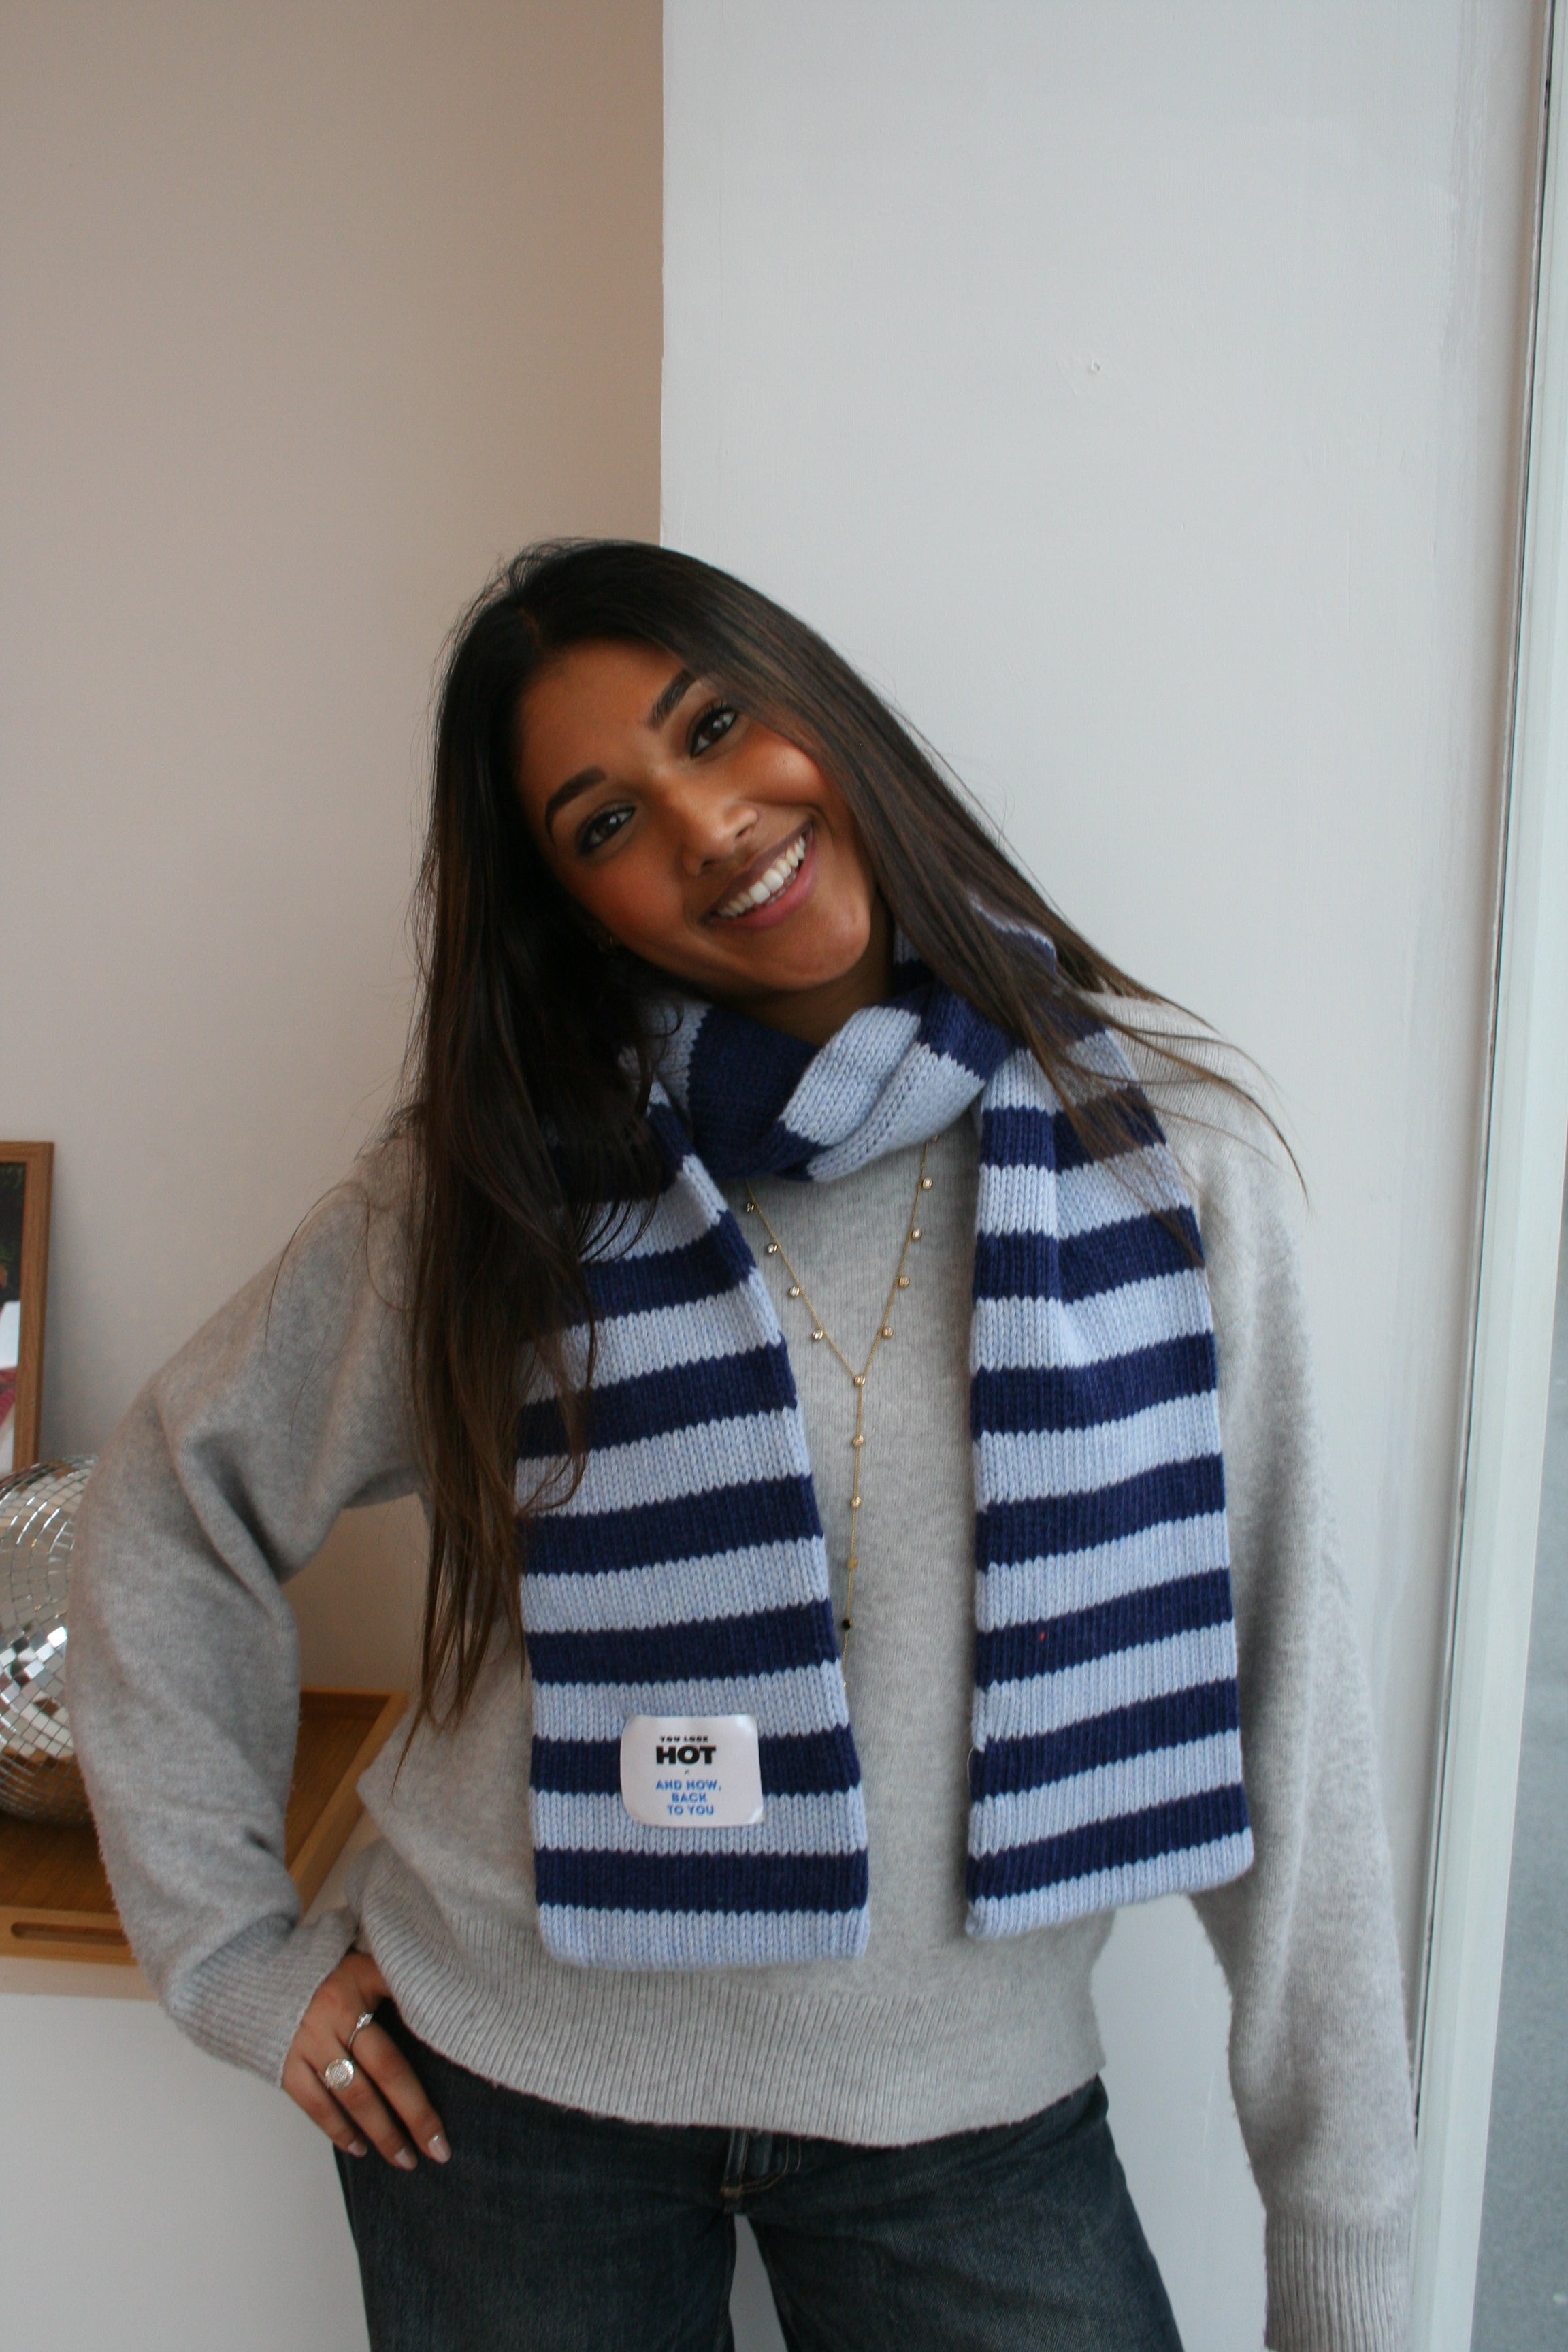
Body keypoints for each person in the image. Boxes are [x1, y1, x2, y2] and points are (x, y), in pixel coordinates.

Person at [70, 540, 1416, 2351]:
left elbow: (1289, 1713)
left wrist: (1344, 2247)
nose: (708, 826)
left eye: (715, 726)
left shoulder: (1162, 1170)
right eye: (607, 820)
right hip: (504, 2112)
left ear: (822, 716)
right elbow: (174, 1499)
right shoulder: (492, 1190)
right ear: (572, 904)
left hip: (969, 2119)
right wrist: (232, 1954)